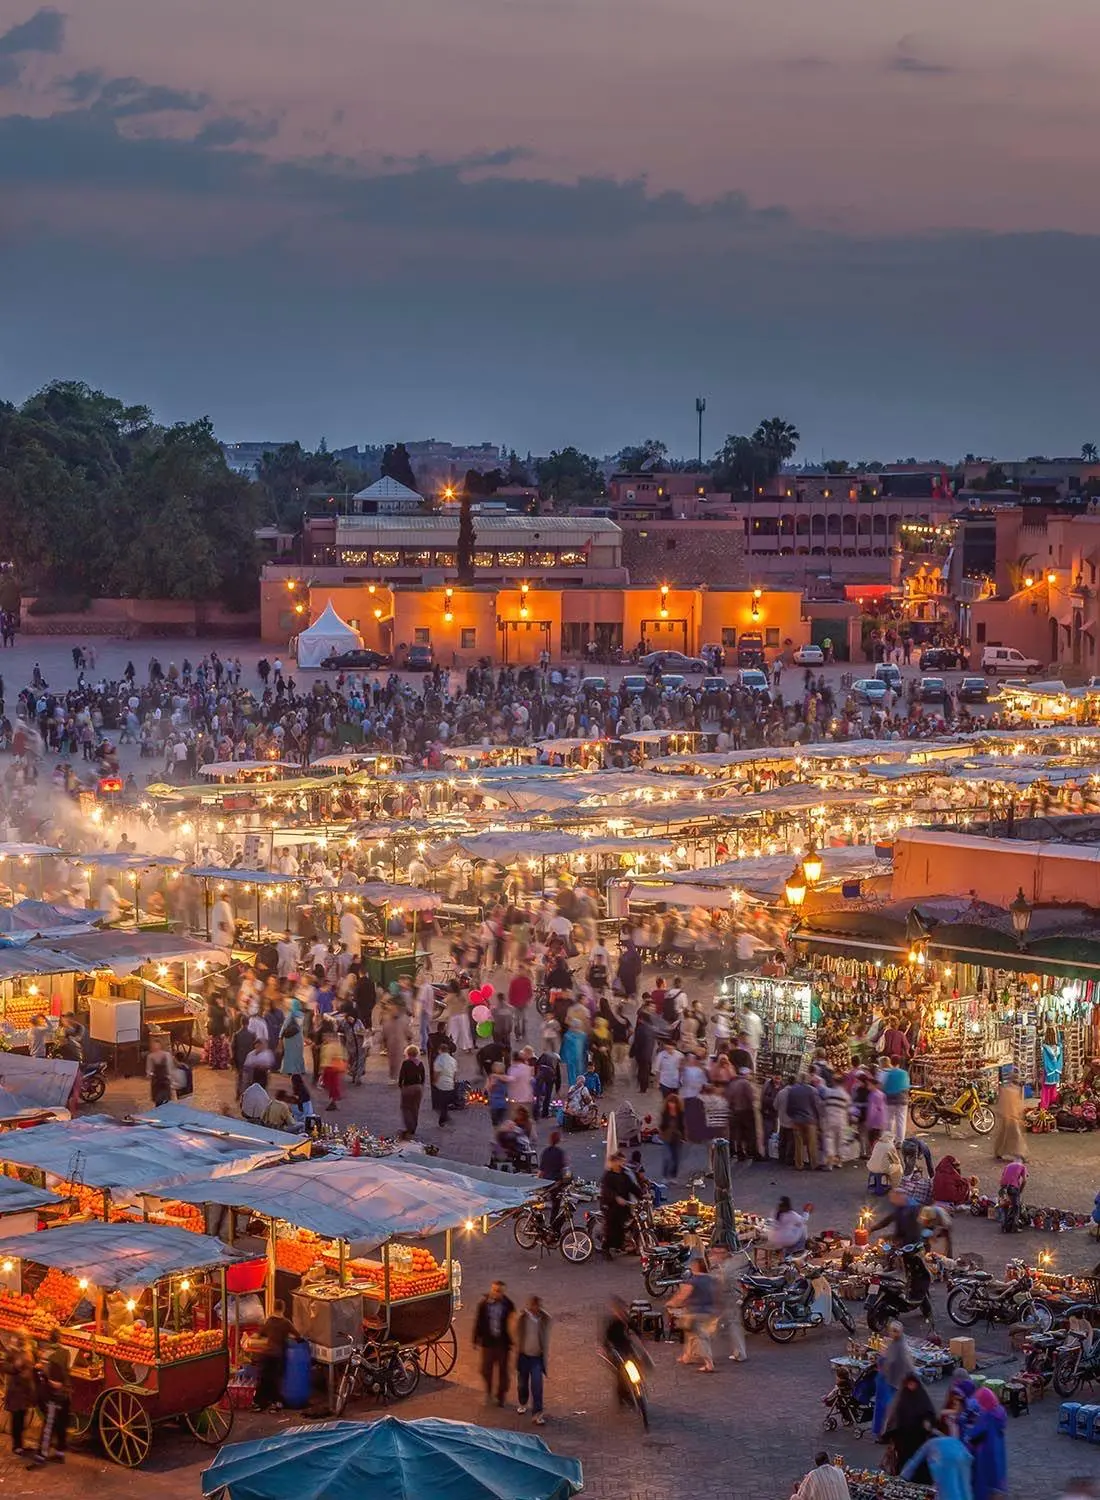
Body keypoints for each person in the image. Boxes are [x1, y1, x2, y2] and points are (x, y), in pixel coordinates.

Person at [901, 1420, 975, 1500]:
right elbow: (968, 1456)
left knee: (945, 1487)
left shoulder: (930, 1443)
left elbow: (914, 1462)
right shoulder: (954, 1440)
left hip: (944, 1459)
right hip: (964, 1456)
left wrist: (902, 1478)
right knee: (964, 1487)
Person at [668, 1256, 716, 1372]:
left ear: (696, 1267)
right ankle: (687, 1356)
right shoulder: (711, 1279)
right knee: (690, 1334)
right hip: (709, 1312)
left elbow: (683, 1295)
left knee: (700, 1337)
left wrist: (671, 1303)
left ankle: (709, 1363)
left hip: (695, 1312)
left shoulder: (694, 1281)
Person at [883, 1372, 936, 1476]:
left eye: (913, 1384)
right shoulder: (901, 1399)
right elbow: (894, 1419)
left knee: (919, 1462)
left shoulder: (922, 1397)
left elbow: (929, 1412)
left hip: (919, 1438)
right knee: (904, 1462)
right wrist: (891, 1435)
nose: (911, 1386)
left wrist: (928, 1422)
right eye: (909, 1384)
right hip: (904, 1440)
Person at [472, 1280, 515, 1406]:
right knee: (486, 1370)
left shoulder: (508, 1305)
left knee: (503, 1372)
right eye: (495, 1290)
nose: (496, 1293)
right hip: (488, 1343)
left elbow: (513, 1324)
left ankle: (500, 1396)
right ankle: (489, 1392)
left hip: (502, 1344)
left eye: (499, 1291)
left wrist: (513, 1340)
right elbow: (478, 1322)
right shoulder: (483, 1305)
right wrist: (475, 1339)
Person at [32, 1327, 71, 1464]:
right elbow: (66, 1370)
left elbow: (42, 1372)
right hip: (65, 1393)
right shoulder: (66, 1353)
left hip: (53, 1393)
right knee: (61, 1424)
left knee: (49, 1423)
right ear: (60, 1338)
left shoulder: (44, 1354)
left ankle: (41, 1455)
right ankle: (60, 1453)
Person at [253, 1300, 298, 1413]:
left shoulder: (269, 1321)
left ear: (273, 1308)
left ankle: (259, 1403)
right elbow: (298, 1336)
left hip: (266, 1354)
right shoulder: (286, 1323)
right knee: (275, 1380)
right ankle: (276, 1403)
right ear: (283, 1309)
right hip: (277, 1355)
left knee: (263, 1379)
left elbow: (258, 1335)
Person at [874, 1321, 915, 1439]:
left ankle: (886, 1433)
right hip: (892, 1382)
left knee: (889, 1408)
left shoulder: (898, 1347)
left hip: (892, 1382)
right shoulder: (898, 1345)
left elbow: (892, 1363)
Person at [514, 1294, 551, 1425]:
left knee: (537, 1385)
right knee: (522, 1383)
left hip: (537, 1357)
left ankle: (537, 1413)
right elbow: (514, 1327)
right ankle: (523, 1402)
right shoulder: (523, 1318)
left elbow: (549, 1319)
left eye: (537, 1306)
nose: (535, 1308)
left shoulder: (543, 1318)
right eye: (533, 1306)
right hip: (524, 1356)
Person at [965, 1385, 1007, 1500]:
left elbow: (972, 1436)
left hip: (983, 1458)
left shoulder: (984, 1417)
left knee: (981, 1486)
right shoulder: (999, 1414)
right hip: (996, 1460)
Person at [599, 1150, 639, 1258]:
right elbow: (606, 1190)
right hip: (610, 1206)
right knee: (612, 1228)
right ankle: (605, 1248)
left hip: (623, 1206)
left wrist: (642, 1194)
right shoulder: (608, 1176)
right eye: (621, 1161)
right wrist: (616, 1197)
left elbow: (632, 1187)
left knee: (623, 1226)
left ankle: (620, 1245)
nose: (623, 1164)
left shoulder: (624, 1174)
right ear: (614, 1162)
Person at [3, 1335, 35, 1455]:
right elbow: (5, 1366)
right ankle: (16, 1446)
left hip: (25, 1391)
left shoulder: (27, 1352)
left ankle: (21, 1443)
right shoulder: (12, 1352)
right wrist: (15, 1366)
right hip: (15, 1391)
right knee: (17, 1418)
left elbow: (30, 1367)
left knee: (22, 1417)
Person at [785, 1074, 821, 1170]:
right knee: (812, 1143)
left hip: (797, 1120)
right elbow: (815, 1106)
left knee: (798, 1144)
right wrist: (817, 1118)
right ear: (807, 1080)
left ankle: (799, 1164)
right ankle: (813, 1164)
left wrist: (792, 1116)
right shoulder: (811, 1090)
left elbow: (789, 1107)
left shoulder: (792, 1090)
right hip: (810, 1120)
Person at [992, 1070, 1027, 1161]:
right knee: (1016, 1136)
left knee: (1003, 1136)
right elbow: (1015, 1105)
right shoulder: (1010, 1091)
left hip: (1008, 1116)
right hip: (1011, 1117)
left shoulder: (1008, 1090)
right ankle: (1020, 1153)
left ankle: (999, 1152)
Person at [880, 1056, 911, 1149]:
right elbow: (907, 1086)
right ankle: (900, 1141)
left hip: (890, 1100)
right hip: (902, 1100)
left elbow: (884, 1087)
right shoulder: (904, 1073)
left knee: (889, 1120)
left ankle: (889, 1139)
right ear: (899, 1062)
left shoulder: (889, 1074)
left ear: (891, 1062)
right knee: (901, 1120)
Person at [397, 1045, 425, 1139]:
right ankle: (414, 1127)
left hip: (408, 1087)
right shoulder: (420, 1063)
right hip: (418, 1088)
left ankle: (409, 1127)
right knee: (415, 1108)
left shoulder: (406, 1063)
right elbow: (423, 1077)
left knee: (406, 1108)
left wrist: (401, 1086)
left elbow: (402, 1076)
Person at [659, 1091, 686, 1181]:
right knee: (667, 1157)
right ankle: (665, 1176)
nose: (672, 1105)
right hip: (667, 1137)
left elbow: (683, 1126)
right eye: (670, 1102)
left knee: (676, 1158)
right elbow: (662, 1125)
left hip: (677, 1138)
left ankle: (673, 1176)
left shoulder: (680, 1114)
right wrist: (662, 1134)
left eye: (674, 1103)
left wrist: (683, 1137)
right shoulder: (665, 1113)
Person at [433, 1040, 458, 1126]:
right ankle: (445, 1116)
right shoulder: (452, 1060)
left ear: (440, 1050)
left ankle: (442, 1119)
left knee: (442, 1102)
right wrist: (453, 1082)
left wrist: (435, 1081)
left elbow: (437, 1072)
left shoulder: (439, 1060)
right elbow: (455, 1073)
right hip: (450, 1083)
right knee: (446, 1101)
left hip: (442, 1083)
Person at [999, 1158, 1027, 1233]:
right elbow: (1024, 1180)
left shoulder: (1007, 1166)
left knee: (1004, 1206)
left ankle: (1004, 1227)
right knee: (1016, 1207)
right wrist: (1020, 1190)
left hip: (1003, 1187)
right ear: (1021, 1162)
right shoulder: (1022, 1166)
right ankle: (1014, 1227)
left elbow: (1002, 1178)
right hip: (1013, 1188)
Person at [146, 1033, 173, 1106]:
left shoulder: (166, 1055)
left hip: (165, 1080)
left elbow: (170, 1067)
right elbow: (148, 1070)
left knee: (166, 1101)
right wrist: (151, 1074)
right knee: (158, 1102)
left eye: (157, 1045)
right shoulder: (150, 1057)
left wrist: (170, 1078)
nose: (155, 1047)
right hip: (156, 1082)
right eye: (154, 1045)